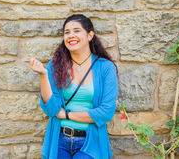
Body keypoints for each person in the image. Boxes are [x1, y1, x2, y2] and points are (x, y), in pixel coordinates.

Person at [29, 14, 118, 159]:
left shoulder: (106, 68)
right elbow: (52, 109)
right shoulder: (56, 66)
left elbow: (106, 112)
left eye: (77, 31)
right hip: (59, 141)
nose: (71, 35)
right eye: (67, 32)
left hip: (90, 143)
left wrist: (67, 115)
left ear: (90, 35)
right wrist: (43, 75)